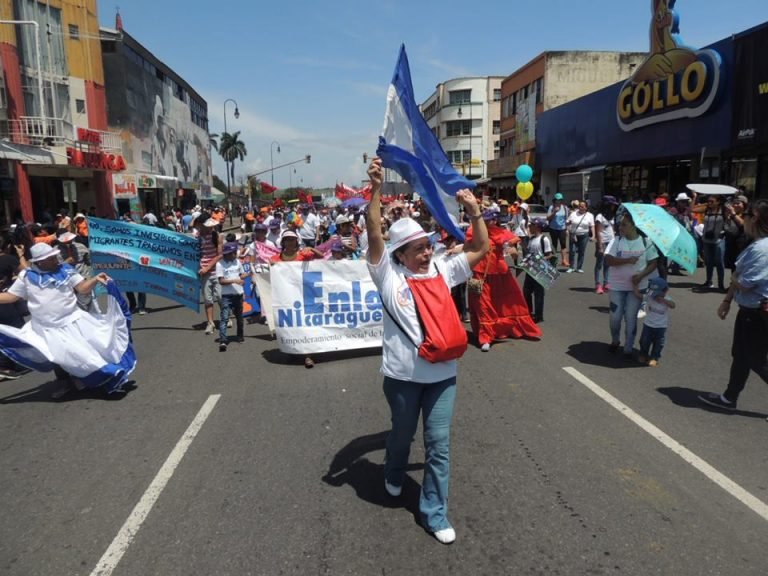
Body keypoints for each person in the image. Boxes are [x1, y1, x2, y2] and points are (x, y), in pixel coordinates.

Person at [364, 157, 489, 545]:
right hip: (402, 378)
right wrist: (376, 190)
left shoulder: (442, 268)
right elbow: (373, 233)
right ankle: (393, 470)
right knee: (401, 436)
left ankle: (434, 512)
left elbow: (481, 247)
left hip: (443, 375)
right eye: (417, 248)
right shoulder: (387, 275)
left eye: (427, 245)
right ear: (399, 254)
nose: (425, 252)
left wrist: (475, 212)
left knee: (438, 445)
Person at [0, 243, 135, 399]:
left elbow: (83, 288)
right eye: (50, 258)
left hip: (72, 321)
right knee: (57, 356)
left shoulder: (66, 270)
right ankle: (66, 384)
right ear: (39, 261)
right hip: (45, 327)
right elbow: (11, 297)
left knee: (84, 354)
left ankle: (105, 375)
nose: (55, 259)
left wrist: (95, 279)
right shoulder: (27, 276)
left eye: (53, 256)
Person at [698, 200, 768, 411]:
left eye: (744, 214)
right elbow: (738, 278)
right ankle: (730, 397)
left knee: (755, 359)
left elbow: (745, 283)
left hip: (758, 311)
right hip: (750, 310)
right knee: (741, 355)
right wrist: (727, 300)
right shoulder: (755, 244)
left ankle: (730, 397)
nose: (741, 218)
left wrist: (735, 280)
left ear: (754, 217)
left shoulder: (762, 249)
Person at [467, 208, 541, 351]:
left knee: (506, 303)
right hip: (480, 274)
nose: (493, 221)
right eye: (489, 219)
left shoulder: (502, 233)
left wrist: (514, 251)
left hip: (499, 273)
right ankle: (485, 337)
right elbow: (466, 248)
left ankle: (508, 328)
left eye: (495, 218)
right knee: (483, 306)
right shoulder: (473, 231)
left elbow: (512, 247)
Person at [604, 211, 659, 359]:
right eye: (620, 224)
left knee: (630, 317)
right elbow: (608, 260)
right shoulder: (616, 241)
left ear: (634, 226)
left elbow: (653, 263)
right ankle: (615, 340)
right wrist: (627, 261)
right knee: (615, 317)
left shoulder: (646, 242)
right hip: (617, 286)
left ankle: (628, 347)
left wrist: (640, 275)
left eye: (624, 224)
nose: (620, 227)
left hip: (637, 287)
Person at [638, 276, 676, 366]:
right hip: (648, 324)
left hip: (661, 326)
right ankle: (643, 354)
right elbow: (639, 295)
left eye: (658, 294)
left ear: (665, 291)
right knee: (644, 341)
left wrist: (663, 300)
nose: (656, 296)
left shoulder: (667, 298)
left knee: (659, 343)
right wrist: (635, 286)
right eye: (655, 294)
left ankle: (654, 357)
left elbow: (673, 305)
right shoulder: (650, 296)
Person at [691, 194, 727, 291]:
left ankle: (721, 284)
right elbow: (693, 209)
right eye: (709, 201)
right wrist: (695, 198)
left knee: (719, 262)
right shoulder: (706, 209)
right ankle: (708, 282)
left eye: (712, 201)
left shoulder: (724, 210)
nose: (710, 203)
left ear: (718, 201)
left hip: (719, 239)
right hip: (707, 239)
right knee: (709, 262)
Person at [216, 242, 246, 352]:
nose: (235, 254)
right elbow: (221, 281)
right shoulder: (220, 264)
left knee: (240, 317)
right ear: (228, 253)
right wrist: (235, 281)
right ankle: (223, 340)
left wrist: (246, 276)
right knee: (224, 317)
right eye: (233, 252)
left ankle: (240, 335)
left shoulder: (237, 262)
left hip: (238, 294)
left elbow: (241, 274)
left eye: (235, 252)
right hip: (226, 296)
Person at [196, 215, 222, 335]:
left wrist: (207, 267)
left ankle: (225, 318)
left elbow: (219, 255)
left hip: (217, 271)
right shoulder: (198, 237)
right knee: (208, 299)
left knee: (221, 297)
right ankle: (210, 323)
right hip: (204, 273)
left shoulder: (217, 236)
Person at [523, 218, 553, 323]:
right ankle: (528, 312)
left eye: (531, 225)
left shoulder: (544, 239)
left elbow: (549, 255)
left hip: (540, 269)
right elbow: (529, 252)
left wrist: (539, 259)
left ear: (537, 227)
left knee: (539, 294)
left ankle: (539, 315)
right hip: (530, 268)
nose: (530, 227)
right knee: (526, 292)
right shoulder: (531, 239)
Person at [565, 201, 595, 274]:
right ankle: (571, 267)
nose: (580, 207)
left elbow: (592, 226)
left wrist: (593, 235)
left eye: (582, 206)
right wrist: (567, 228)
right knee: (572, 251)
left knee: (581, 252)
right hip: (573, 234)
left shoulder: (590, 215)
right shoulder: (573, 213)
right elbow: (568, 222)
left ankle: (579, 267)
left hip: (584, 235)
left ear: (586, 207)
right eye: (580, 206)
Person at [546, 192, 570, 269]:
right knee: (554, 245)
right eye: (557, 200)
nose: (559, 201)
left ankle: (564, 260)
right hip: (553, 228)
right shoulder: (551, 207)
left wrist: (567, 229)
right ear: (555, 200)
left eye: (560, 199)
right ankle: (553, 261)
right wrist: (554, 212)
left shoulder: (565, 208)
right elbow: (548, 218)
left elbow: (566, 219)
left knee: (563, 245)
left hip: (562, 228)